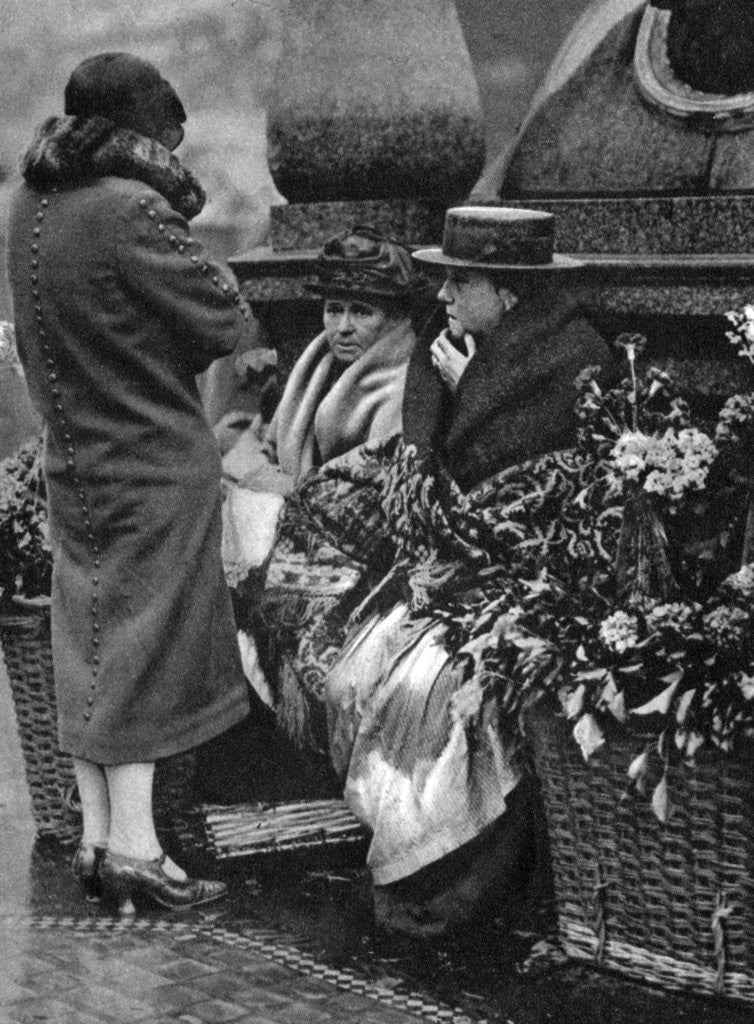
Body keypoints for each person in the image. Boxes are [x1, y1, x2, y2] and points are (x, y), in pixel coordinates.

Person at [259, 205, 618, 936]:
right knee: (354, 669)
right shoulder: (451, 354)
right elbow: (424, 478)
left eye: (460, 282)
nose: (444, 298)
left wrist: (470, 389)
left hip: (528, 578)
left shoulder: (569, 363)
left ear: (508, 294)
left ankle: (453, 875)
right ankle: (418, 861)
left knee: (427, 689)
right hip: (449, 567)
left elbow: (520, 507)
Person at [5, 52, 256, 915]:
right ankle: (141, 850)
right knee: (144, 653)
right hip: (153, 461)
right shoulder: (131, 210)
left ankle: (100, 838)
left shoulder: (28, 202)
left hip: (73, 460)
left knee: (88, 642)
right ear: (143, 133)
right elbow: (224, 318)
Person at [220, 227, 425, 493]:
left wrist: (292, 488)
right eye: (334, 309)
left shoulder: (405, 389)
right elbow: (270, 449)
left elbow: (379, 496)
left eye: (362, 312)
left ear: (396, 319)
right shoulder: (316, 367)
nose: (343, 327)